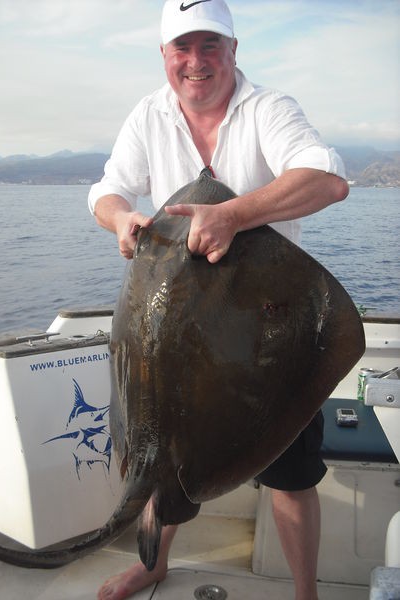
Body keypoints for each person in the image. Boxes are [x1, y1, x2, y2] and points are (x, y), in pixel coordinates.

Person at [88, 1, 349, 599]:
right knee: (158, 452)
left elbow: (326, 179)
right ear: (164, 55)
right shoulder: (149, 115)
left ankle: (305, 593)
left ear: (233, 50)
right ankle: (154, 564)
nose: (196, 61)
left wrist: (233, 214)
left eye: (210, 45)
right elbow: (108, 190)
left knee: (290, 472)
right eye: (182, 47)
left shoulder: (268, 109)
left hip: (266, 330)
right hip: (177, 331)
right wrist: (121, 218)